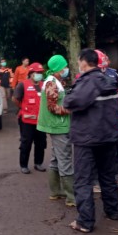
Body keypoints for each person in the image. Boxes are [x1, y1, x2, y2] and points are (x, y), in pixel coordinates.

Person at [63, 49, 118, 233]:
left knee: (83, 180)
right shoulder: (109, 80)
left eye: (79, 61)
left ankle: (85, 222)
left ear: (84, 62)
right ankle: (113, 212)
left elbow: (70, 102)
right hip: (109, 137)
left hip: (87, 139)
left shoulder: (88, 82)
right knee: (107, 176)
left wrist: (68, 97)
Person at [37, 55, 74, 206]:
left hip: (55, 124)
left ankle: (55, 191)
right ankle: (72, 197)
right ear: (59, 69)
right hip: (58, 125)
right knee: (64, 159)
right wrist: (70, 110)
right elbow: (53, 107)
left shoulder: (53, 81)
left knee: (56, 158)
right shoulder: (51, 83)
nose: (66, 69)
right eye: (64, 67)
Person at [13, 62, 47, 174]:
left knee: (41, 143)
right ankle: (24, 165)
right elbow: (15, 99)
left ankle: (38, 163)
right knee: (26, 143)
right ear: (31, 74)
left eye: (40, 73)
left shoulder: (44, 85)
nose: (39, 75)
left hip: (41, 121)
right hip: (27, 120)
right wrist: (22, 108)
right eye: (37, 73)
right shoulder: (23, 85)